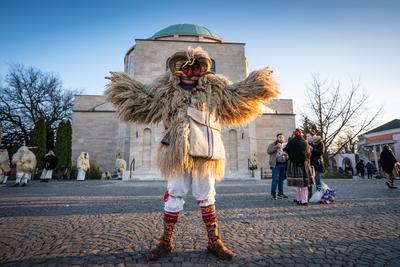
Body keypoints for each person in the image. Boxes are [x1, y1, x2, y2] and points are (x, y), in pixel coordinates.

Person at [105, 46, 279, 261]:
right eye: (186, 67)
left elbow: (239, 94)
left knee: (206, 195)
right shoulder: (165, 89)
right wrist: (121, 85)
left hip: (206, 151)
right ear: (178, 68)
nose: (190, 72)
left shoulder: (216, 89)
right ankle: (166, 241)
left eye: (195, 67)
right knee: (174, 193)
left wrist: (259, 81)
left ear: (202, 69)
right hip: (175, 152)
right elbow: (142, 97)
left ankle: (214, 241)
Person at [284, 129, 313, 206]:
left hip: (293, 165)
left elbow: (286, 151)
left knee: (297, 184)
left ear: (294, 135)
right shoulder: (304, 143)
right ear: (301, 135)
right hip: (303, 165)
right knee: (304, 184)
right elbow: (309, 154)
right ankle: (304, 200)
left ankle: (298, 199)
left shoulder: (291, 143)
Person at [267, 133, 288, 199]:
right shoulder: (272, 144)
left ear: (283, 138)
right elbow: (269, 151)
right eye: (279, 137)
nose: (281, 138)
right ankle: (273, 194)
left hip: (284, 164)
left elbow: (289, 154)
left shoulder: (285, 145)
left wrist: (286, 154)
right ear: (277, 138)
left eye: (282, 137)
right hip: (275, 164)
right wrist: (276, 147)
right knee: (275, 180)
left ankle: (280, 193)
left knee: (281, 180)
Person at [306, 130, 324, 199]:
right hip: (309, 164)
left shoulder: (319, 142)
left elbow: (321, 152)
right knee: (309, 179)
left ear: (312, 136)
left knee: (317, 179)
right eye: (306, 136)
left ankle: (319, 194)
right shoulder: (307, 144)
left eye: (308, 136)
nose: (307, 137)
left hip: (317, 164)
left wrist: (312, 149)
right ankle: (309, 194)